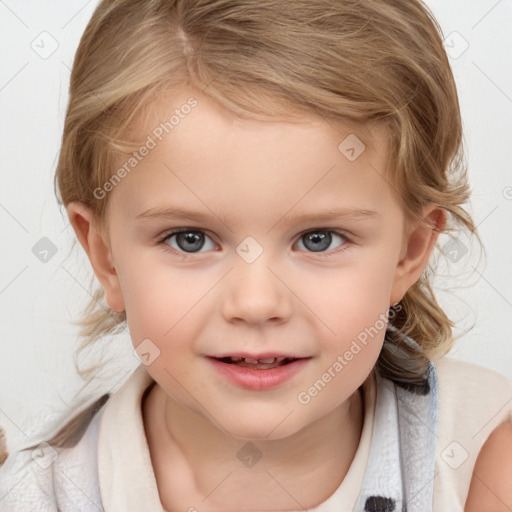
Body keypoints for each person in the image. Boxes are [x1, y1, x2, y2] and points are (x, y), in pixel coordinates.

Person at [1, 0, 511, 510]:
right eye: (190, 239)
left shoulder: (480, 462)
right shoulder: (35, 496)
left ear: (411, 250)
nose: (255, 302)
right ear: (105, 256)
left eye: (319, 239)